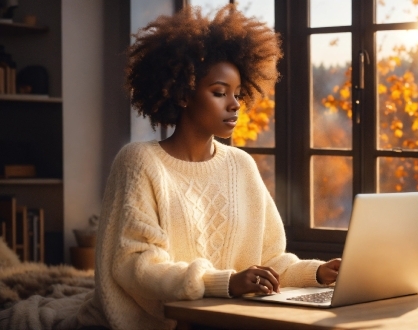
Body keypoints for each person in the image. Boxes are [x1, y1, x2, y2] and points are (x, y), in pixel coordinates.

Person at [75, 4, 341, 330]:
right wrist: (225, 282)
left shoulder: (241, 166)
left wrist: (317, 272)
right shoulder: (139, 162)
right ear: (185, 93)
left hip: (225, 320)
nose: (235, 104)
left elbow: (269, 260)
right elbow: (135, 265)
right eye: (219, 92)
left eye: (239, 94)